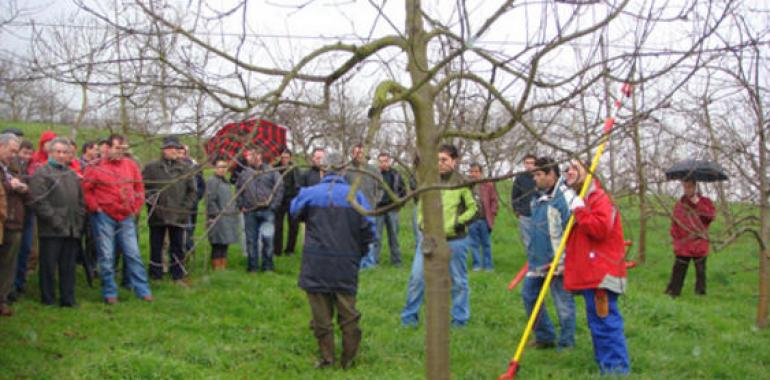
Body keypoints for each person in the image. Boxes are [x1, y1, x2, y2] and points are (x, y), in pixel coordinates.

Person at [290, 151, 375, 369]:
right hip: (346, 263)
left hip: (316, 262)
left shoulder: (310, 193)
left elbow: (294, 212)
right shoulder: (356, 196)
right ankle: (348, 360)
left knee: (321, 316)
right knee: (348, 315)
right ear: (344, 170)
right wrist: (359, 253)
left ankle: (327, 359)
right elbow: (369, 229)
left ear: (323, 169)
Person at [563, 159, 630, 374]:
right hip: (591, 273)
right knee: (597, 323)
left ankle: (616, 370)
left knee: (605, 322)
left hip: (602, 273)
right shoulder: (582, 199)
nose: (570, 172)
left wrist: (580, 211)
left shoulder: (599, 198)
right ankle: (605, 365)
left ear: (589, 172)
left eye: (575, 168)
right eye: (568, 169)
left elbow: (600, 229)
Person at [401, 144, 477, 328]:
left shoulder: (462, 182)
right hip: (429, 239)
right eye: (437, 160)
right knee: (417, 279)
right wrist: (421, 224)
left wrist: (458, 222)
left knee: (458, 281)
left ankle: (459, 320)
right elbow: (421, 206)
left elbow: (474, 209)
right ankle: (409, 319)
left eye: (444, 160)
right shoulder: (428, 180)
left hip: (455, 240)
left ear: (454, 161)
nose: (440, 164)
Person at [82, 134, 153, 304]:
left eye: (123, 149)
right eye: (117, 148)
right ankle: (110, 291)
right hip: (104, 215)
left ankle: (142, 290)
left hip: (126, 215)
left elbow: (138, 187)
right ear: (108, 148)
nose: (120, 152)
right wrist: (95, 207)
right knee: (106, 255)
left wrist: (136, 207)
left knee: (133, 253)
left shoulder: (131, 165)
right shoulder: (97, 167)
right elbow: (86, 189)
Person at [522, 156, 575, 349]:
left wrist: (563, 261)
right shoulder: (537, 198)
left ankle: (567, 343)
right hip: (537, 261)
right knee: (529, 296)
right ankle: (545, 337)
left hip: (558, 263)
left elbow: (571, 232)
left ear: (551, 174)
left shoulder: (564, 198)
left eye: (538, 174)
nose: (534, 178)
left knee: (563, 304)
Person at [29, 137, 86, 307]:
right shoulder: (42, 173)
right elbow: (39, 201)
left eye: (65, 152)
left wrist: (79, 219)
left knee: (68, 267)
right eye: (58, 152)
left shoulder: (71, 174)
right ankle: (48, 299)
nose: (61, 155)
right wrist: (56, 221)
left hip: (72, 227)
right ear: (50, 152)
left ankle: (68, 299)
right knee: (48, 266)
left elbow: (81, 201)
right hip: (51, 229)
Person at [142, 136, 198, 284]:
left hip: (179, 215)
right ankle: (156, 274)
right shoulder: (151, 168)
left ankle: (177, 274)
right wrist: (152, 200)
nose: (175, 151)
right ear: (164, 150)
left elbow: (192, 192)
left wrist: (184, 209)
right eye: (171, 148)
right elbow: (143, 187)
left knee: (178, 246)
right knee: (156, 245)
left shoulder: (185, 169)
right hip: (157, 214)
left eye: (177, 148)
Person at [236, 145, 283, 272]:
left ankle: (268, 267)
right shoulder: (245, 174)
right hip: (250, 212)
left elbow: (279, 189)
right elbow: (238, 191)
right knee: (251, 240)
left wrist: (273, 207)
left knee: (268, 240)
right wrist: (241, 205)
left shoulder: (271, 171)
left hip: (267, 211)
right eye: (247, 155)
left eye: (249, 155)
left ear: (258, 156)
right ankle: (253, 267)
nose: (247, 158)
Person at [666, 178, 716, 296]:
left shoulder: (705, 202)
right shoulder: (680, 204)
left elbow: (710, 216)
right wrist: (677, 239)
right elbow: (675, 223)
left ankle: (700, 294)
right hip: (683, 244)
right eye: (685, 187)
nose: (687, 189)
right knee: (678, 270)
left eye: (689, 187)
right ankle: (673, 293)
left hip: (699, 243)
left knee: (700, 271)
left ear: (695, 187)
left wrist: (697, 203)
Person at [0, 133, 28, 316]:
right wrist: (12, 186)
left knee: (8, 263)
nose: (14, 155)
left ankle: (2, 300)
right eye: (12, 151)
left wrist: (23, 188)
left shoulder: (9, 168)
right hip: (5, 220)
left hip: (12, 221)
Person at [345, 144, 383, 269]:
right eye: (356, 152)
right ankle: (356, 262)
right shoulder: (347, 170)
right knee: (354, 236)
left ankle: (370, 263)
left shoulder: (373, 170)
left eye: (361, 153)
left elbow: (381, 187)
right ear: (352, 153)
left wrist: (376, 201)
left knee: (371, 235)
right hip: (352, 209)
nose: (359, 155)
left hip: (370, 209)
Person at [372, 152, 406, 267]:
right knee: (376, 237)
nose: (383, 164)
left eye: (385, 161)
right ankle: (374, 262)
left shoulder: (396, 175)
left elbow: (403, 191)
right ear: (378, 162)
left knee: (394, 237)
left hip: (392, 209)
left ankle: (396, 262)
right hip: (379, 209)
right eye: (381, 161)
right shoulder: (374, 175)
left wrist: (400, 203)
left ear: (389, 161)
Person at [10, 140, 34, 301]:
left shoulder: (28, 167)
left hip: (28, 213)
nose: (26, 156)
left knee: (25, 250)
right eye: (24, 152)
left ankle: (20, 283)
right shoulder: (12, 167)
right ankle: (11, 287)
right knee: (14, 252)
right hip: (15, 215)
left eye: (29, 153)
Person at [205, 159, 240, 270]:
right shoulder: (212, 181)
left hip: (228, 218)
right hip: (217, 217)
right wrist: (216, 214)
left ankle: (222, 266)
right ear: (215, 168)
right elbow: (210, 200)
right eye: (220, 167)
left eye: (225, 167)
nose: (222, 169)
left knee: (225, 243)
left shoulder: (226, 182)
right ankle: (217, 267)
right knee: (217, 243)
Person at [467, 162, 498, 271]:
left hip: (484, 219)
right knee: (473, 244)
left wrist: (493, 213)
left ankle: (488, 266)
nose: (474, 174)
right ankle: (477, 265)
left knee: (486, 243)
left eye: (476, 172)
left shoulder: (487, 185)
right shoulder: (466, 186)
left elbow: (494, 200)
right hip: (471, 220)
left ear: (480, 173)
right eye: (472, 172)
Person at [273, 149, 301, 256]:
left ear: (290, 158)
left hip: (291, 198)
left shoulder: (294, 168)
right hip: (279, 199)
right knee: (278, 225)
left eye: (287, 157)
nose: (284, 160)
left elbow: (298, 183)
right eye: (283, 157)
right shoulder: (275, 168)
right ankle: (277, 250)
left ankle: (290, 249)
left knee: (293, 225)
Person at [180, 145, 206, 255]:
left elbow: (201, 184)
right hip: (178, 204)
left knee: (191, 228)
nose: (182, 155)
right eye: (180, 152)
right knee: (184, 228)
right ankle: (187, 250)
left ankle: (188, 251)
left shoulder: (194, 166)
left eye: (184, 152)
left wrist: (196, 197)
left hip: (192, 204)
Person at [511, 154, 537, 252]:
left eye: (532, 163)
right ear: (524, 164)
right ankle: (531, 263)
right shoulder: (520, 178)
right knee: (527, 241)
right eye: (527, 163)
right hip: (525, 214)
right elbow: (514, 196)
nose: (529, 165)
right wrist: (517, 211)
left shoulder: (540, 177)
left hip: (540, 214)